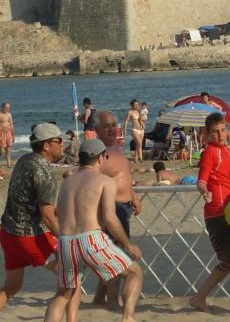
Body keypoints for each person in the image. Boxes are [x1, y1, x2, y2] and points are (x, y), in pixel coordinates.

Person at [0, 123, 77, 322]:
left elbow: (27, 199)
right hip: (29, 237)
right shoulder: (44, 170)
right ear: (47, 145)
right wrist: (68, 239)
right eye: (59, 141)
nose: (63, 144)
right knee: (72, 279)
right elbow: (48, 216)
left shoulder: (24, 160)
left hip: (8, 234)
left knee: (11, 287)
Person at [43, 138, 144, 322]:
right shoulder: (104, 181)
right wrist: (128, 245)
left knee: (63, 295)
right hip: (90, 239)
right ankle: (128, 318)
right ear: (100, 158)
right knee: (134, 272)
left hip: (65, 242)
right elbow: (110, 218)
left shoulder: (66, 184)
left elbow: (59, 212)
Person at [188, 112, 230, 315]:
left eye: (222, 130)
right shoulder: (210, 152)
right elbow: (201, 180)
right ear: (207, 134)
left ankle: (198, 298)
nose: (219, 135)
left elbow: (225, 174)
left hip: (227, 211)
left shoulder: (224, 151)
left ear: (226, 130)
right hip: (220, 213)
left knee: (229, 261)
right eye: (214, 132)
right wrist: (205, 192)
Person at [92, 110, 141, 310]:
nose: (112, 129)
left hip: (124, 206)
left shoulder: (116, 148)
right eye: (107, 126)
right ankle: (112, 300)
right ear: (96, 130)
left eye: (114, 125)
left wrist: (133, 195)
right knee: (115, 256)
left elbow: (124, 174)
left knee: (115, 254)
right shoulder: (97, 154)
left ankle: (98, 297)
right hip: (111, 209)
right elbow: (88, 180)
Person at [0, 102, 15, 168]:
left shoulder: (9, 114)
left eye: (8, 108)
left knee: (8, 149)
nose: (7, 109)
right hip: (1, 133)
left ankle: (9, 164)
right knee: (1, 150)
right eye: (6, 108)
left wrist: (13, 135)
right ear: (2, 107)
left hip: (8, 133)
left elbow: (11, 125)